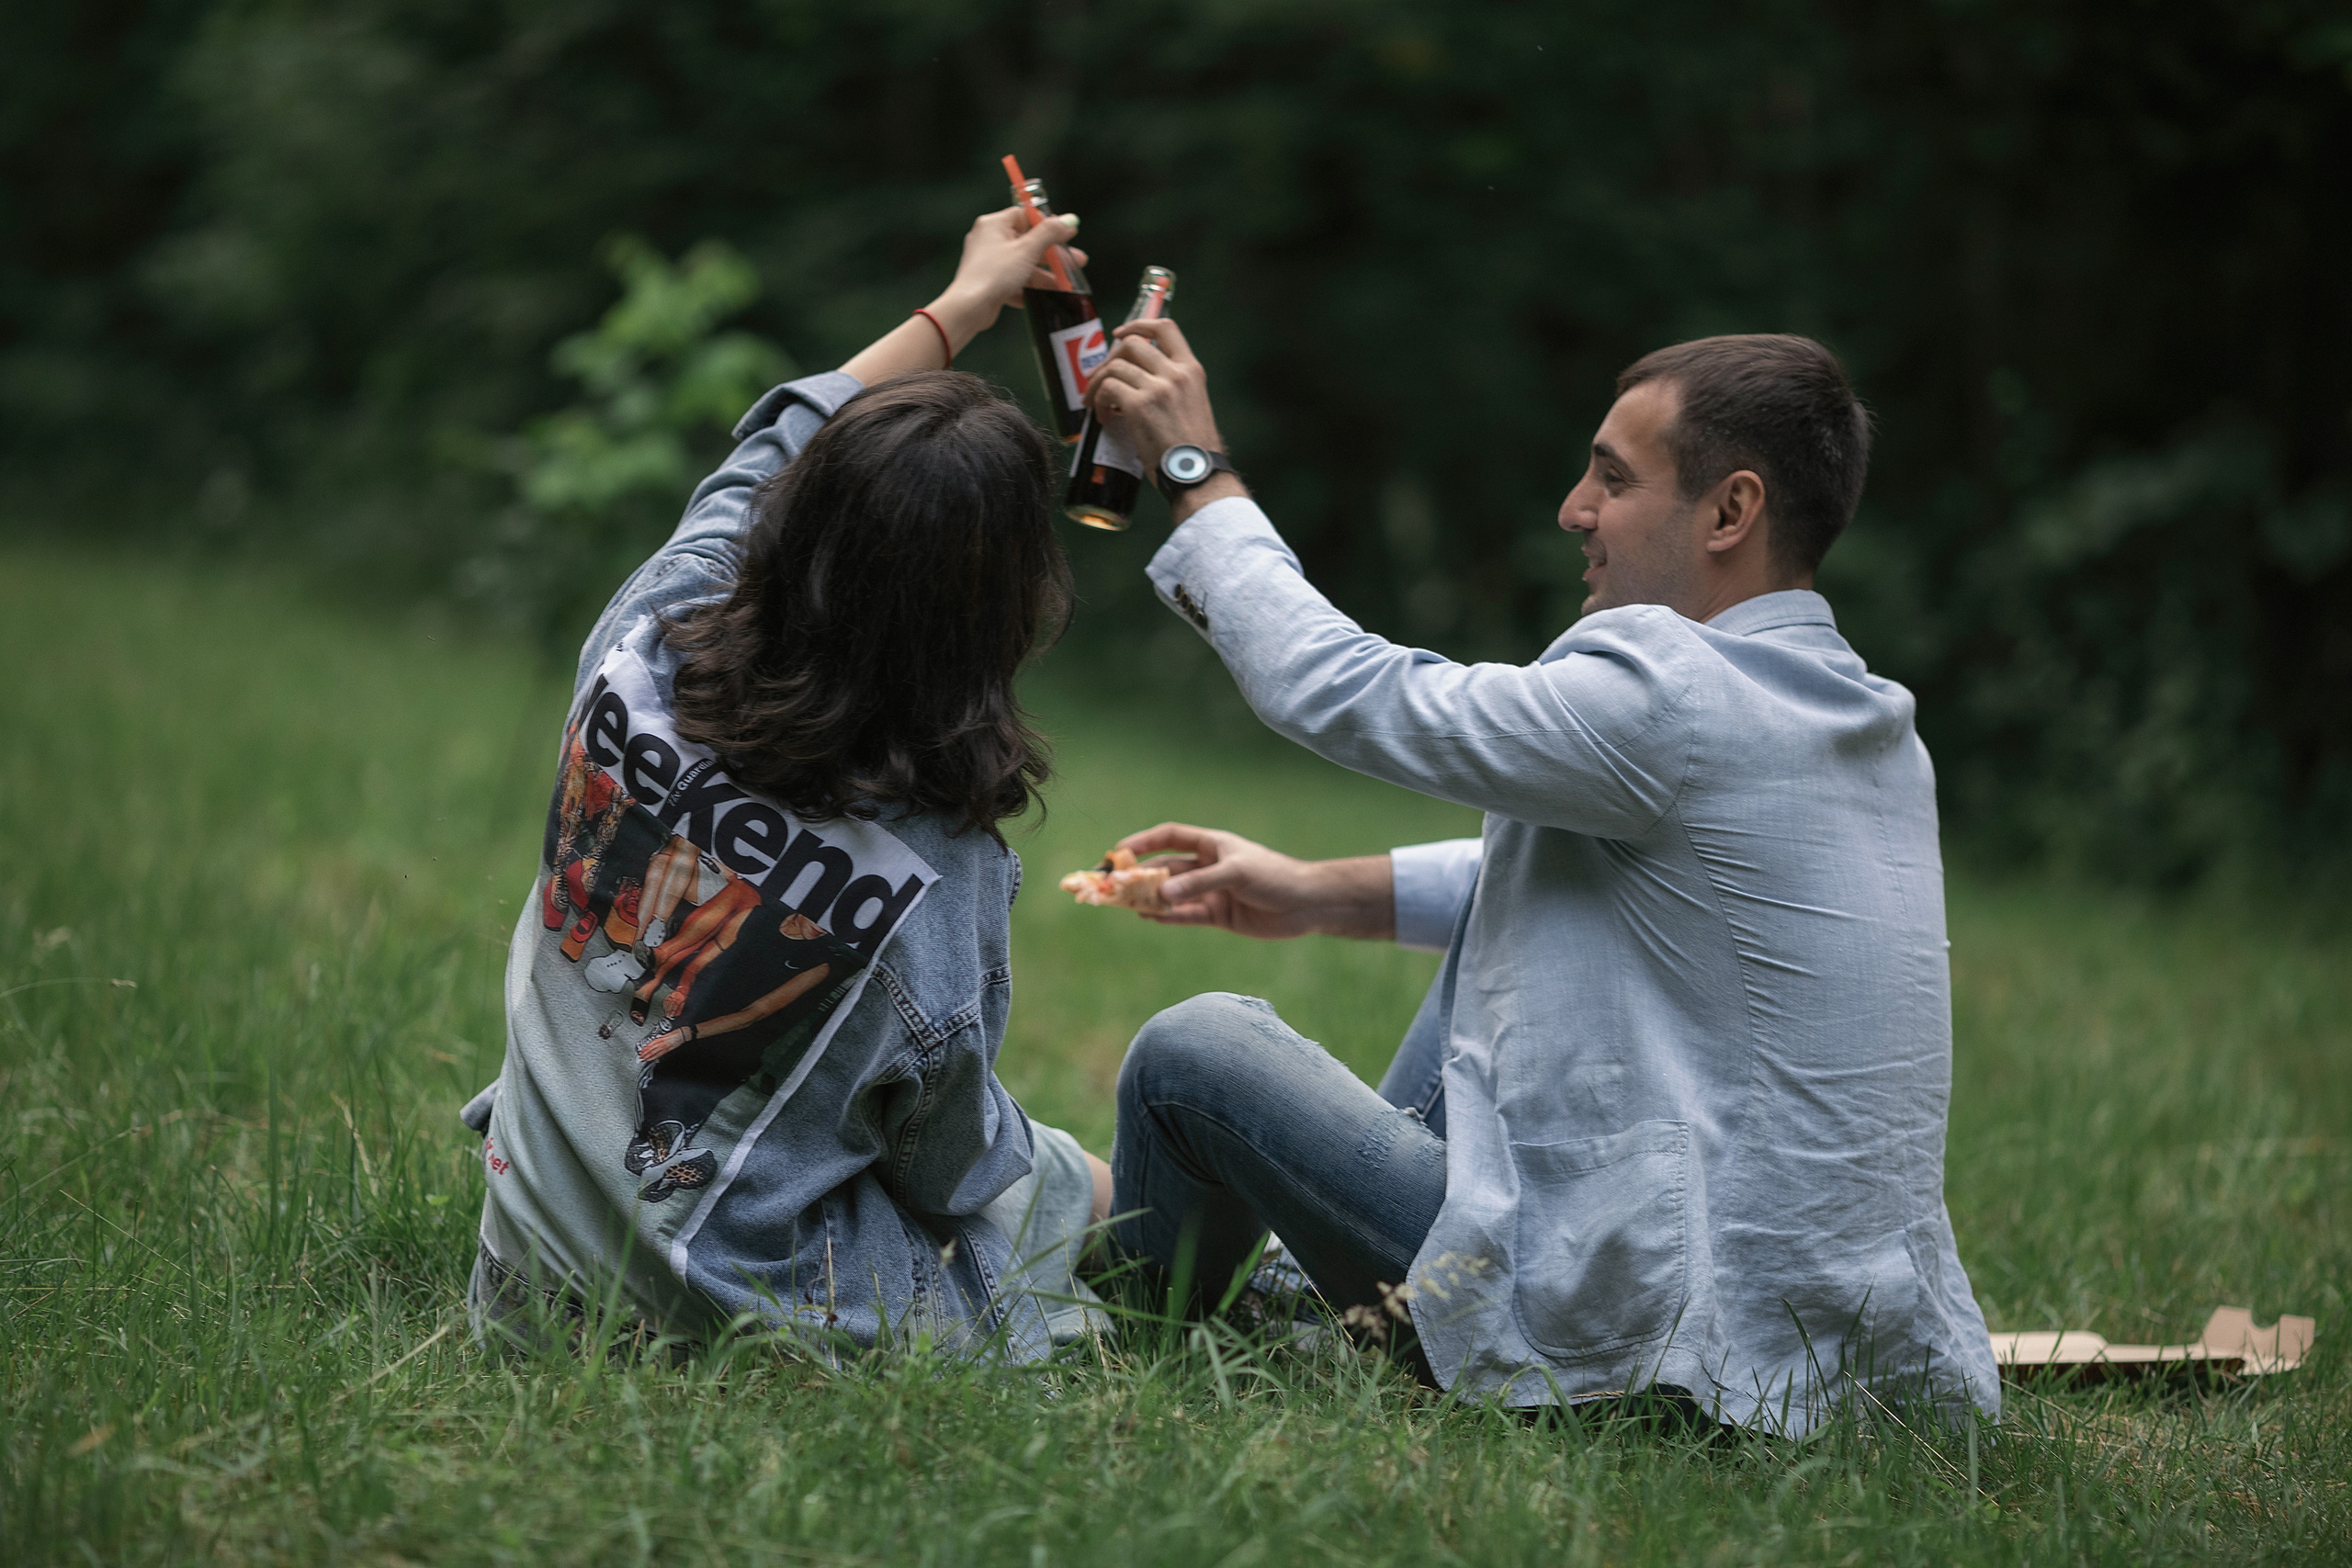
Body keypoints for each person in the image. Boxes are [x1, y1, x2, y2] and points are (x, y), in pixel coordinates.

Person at [1079, 322, 2000, 1431]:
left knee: (1194, 1056)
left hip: (1643, 1344)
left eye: (1612, 478)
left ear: (1729, 512)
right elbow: (1627, 885)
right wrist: (1321, 890)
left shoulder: (1673, 692)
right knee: (1527, 878)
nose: (1573, 509)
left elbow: (1350, 690)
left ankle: (1157, 1346)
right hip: (1833, 1346)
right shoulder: (1860, 721)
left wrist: (1192, 468)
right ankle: (1312, 1293)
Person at [463, 204, 1113, 1359]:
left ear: (796, 522)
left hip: (524, 1271)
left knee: (1049, 1180)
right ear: (1002, 613)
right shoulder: (934, 871)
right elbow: (945, 1161)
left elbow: (776, 434)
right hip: (709, 1309)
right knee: (1058, 1202)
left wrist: (959, 305)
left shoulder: (650, 633)